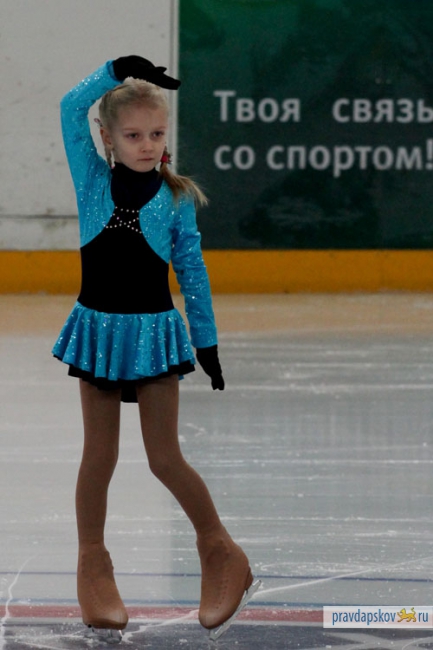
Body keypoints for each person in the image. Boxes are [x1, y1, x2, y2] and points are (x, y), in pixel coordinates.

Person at [52, 55, 259, 640]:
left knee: (164, 457)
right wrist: (114, 70)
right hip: (98, 331)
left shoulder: (176, 197)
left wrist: (206, 342)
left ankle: (221, 551)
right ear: (108, 137)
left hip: (153, 335)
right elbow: (70, 107)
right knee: (99, 456)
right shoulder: (92, 180)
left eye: (157, 134)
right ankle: (93, 566)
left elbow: (192, 271)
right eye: (134, 135)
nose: (147, 145)